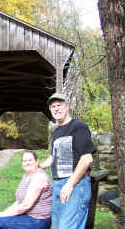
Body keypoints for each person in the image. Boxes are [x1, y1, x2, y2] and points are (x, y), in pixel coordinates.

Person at [39, 93, 96, 229]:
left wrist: (70, 184)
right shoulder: (57, 132)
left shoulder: (78, 127)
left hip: (75, 185)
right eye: (53, 106)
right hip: (58, 184)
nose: (56, 109)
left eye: (59, 105)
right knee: (58, 226)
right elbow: (54, 157)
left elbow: (87, 158)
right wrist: (38, 166)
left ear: (67, 106)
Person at [0, 150, 52, 229]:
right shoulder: (26, 176)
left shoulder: (39, 177)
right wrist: (4, 213)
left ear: (37, 161)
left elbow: (26, 205)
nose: (27, 163)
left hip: (38, 220)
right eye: (24, 161)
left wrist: (2, 215)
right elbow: (19, 201)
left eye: (30, 160)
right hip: (27, 215)